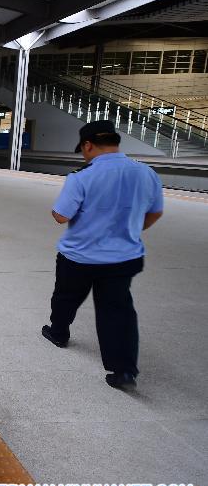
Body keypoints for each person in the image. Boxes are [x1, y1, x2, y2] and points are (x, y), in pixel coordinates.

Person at [41, 120, 163, 390]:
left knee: (66, 296)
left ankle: (59, 333)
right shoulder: (146, 173)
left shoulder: (82, 176)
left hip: (79, 257)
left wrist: (57, 210)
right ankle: (124, 372)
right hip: (123, 257)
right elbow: (155, 212)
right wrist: (132, 229)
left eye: (83, 149)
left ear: (88, 145)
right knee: (117, 311)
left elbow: (61, 216)